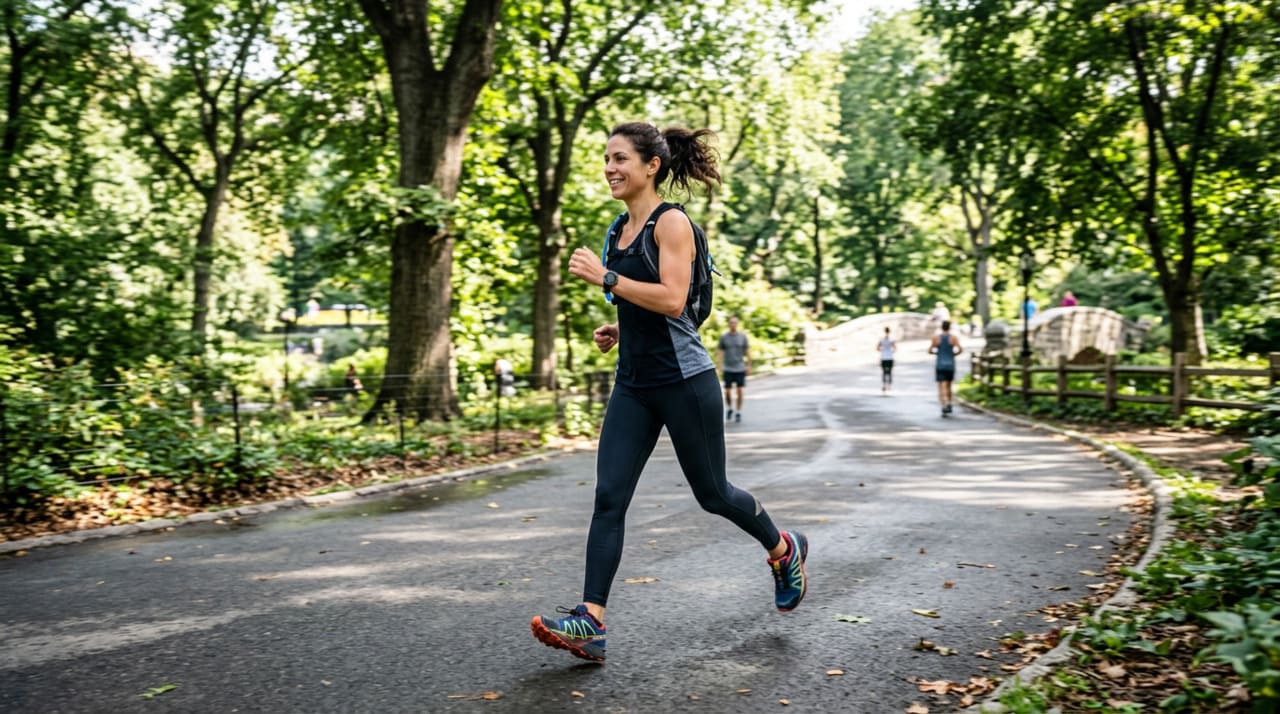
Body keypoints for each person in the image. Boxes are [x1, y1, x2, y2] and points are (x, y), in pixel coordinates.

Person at [539, 121, 809, 663]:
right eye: (607, 159)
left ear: (651, 166)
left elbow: (672, 299)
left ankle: (783, 549)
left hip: (686, 382)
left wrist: (607, 281)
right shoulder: (617, 230)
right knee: (608, 496)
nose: (611, 168)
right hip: (634, 385)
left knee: (713, 494)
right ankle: (591, 620)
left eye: (621, 158)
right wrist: (619, 328)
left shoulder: (673, 223)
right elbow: (648, 309)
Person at [928, 320, 963, 416]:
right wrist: (953, 354)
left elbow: (930, 350)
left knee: (941, 386)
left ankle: (944, 404)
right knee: (949, 385)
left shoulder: (936, 338)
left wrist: (937, 353)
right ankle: (949, 403)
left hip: (940, 364)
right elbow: (960, 349)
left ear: (941, 327)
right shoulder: (953, 338)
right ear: (949, 327)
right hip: (950, 364)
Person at [718, 316, 750, 422]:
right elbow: (720, 352)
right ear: (729, 324)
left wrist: (749, 365)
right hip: (728, 368)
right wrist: (720, 366)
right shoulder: (724, 337)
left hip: (740, 367)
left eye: (735, 323)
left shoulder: (742, 337)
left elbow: (747, 352)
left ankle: (738, 411)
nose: (733, 324)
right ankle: (730, 408)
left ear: (738, 324)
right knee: (727, 391)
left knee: (740, 390)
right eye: (731, 322)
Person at [876, 326, 896, 393]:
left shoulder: (881, 339)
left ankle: (884, 385)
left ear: (884, 331)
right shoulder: (892, 339)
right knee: (890, 372)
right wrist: (890, 351)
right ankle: (889, 385)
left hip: (883, 357)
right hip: (890, 357)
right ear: (889, 331)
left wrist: (883, 350)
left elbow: (877, 348)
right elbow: (895, 348)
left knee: (884, 372)